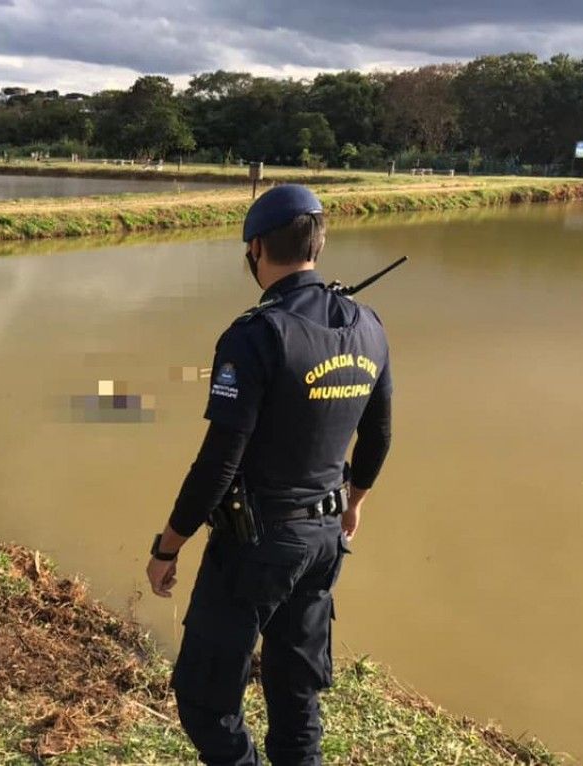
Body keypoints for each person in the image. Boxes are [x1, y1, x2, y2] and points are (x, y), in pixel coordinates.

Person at [146, 184, 393, 766]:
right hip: (324, 538)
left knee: (204, 699)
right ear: (320, 242)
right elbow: (378, 436)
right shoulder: (369, 324)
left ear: (255, 249)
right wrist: (353, 502)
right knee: (295, 686)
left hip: (255, 544)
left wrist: (169, 544)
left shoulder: (256, 335)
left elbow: (220, 460)